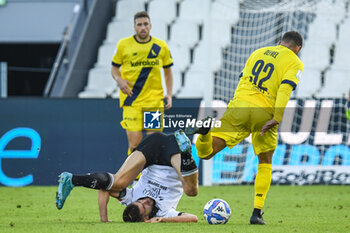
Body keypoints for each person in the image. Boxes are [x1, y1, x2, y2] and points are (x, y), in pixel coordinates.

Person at [186, 31, 304, 225]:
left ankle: (205, 134)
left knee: (206, 154)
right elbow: (285, 88)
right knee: (265, 161)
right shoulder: (295, 62)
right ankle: (256, 213)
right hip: (264, 112)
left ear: (279, 42)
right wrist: (277, 116)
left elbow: (242, 80)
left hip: (240, 105)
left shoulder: (258, 52)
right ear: (297, 49)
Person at [56, 130, 198, 223]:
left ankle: (72, 179)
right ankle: (186, 153)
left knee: (117, 182)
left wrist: (103, 219)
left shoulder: (131, 198)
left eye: (140, 202)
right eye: (145, 206)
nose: (145, 201)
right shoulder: (164, 213)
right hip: (172, 155)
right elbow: (193, 218)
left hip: (153, 145)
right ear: (147, 218)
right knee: (191, 191)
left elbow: (104, 188)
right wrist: (162, 221)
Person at [111, 11, 174, 157]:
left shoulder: (160, 46)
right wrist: (119, 80)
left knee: (154, 143)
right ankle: (136, 178)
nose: (142, 27)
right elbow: (114, 69)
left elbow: (168, 72)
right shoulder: (123, 45)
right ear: (134, 27)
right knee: (135, 145)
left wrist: (169, 94)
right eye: (139, 25)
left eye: (145, 24)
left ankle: (152, 179)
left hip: (153, 102)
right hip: (131, 101)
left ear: (150, 25)